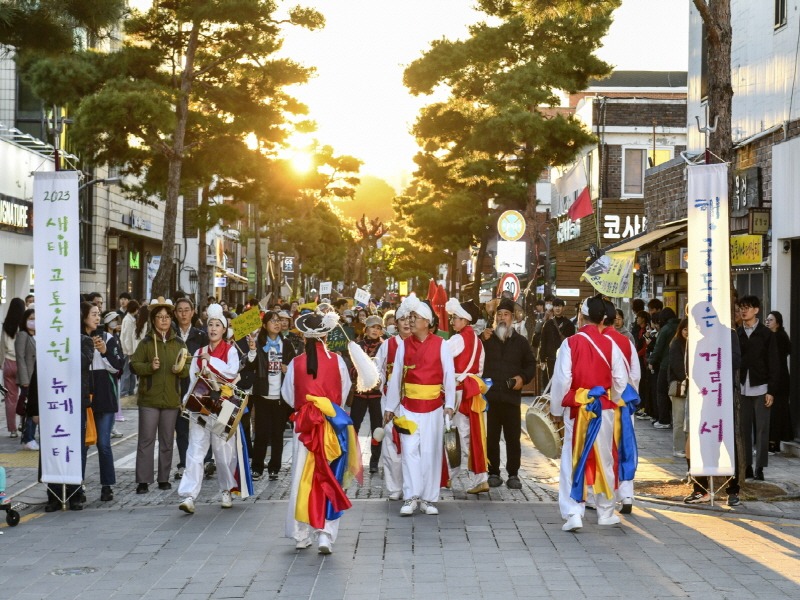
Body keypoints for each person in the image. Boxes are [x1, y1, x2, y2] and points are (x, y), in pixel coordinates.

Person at [282, 311, 360, 555]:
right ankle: (326, 533)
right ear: (326, 336)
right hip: (331, 425)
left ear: (304, 337)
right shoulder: (338, 361)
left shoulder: (296, 363)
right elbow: (344, 391)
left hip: (305, 426)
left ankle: (301, 533)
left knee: (301, 477)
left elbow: (288, 395)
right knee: (330, 475)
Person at [550, 296, 629, 532]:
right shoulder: (611, 344)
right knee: (605, 457)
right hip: (603, 408)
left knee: (573, 458)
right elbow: (621, 380)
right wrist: (611, 399)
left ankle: (574, 512)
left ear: (581, 317)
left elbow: (562, 380)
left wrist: (556, 410)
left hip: (577, 409)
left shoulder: (570, 343)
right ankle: (606, 511)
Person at [384, 294, 456, 515]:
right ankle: (411, 496)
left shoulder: (442, 345)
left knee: (430, 452)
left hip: (433, 408)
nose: (410, 321)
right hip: (407, 408)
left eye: (415, 317)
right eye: (410, 317)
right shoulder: (404, 346)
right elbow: (396, 377)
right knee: (409, 451)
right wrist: (390, 407)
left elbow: (449, 376)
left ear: (427, 321)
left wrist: (449, 404)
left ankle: (428, 499)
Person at [178, 304, 243, 513]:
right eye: (210, 325)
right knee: (195, 449)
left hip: (224, 406)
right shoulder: (199, 352)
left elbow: (231, 373)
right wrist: (187, 400)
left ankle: (226, 490)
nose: (213, 328)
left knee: (223, 451)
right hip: (201, 404)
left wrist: (211, 361)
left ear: (224, 329)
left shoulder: (230, 351)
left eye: (217, 325)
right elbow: (193, 380)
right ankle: (189, 495)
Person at [130, 297, 190, 494]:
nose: (164, 320)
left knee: (167, 441)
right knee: (146, 440)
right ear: (153, 320)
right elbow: (134, 365)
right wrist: (149, 367)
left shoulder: (179, 343)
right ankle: (143, 480)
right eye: (160, 317)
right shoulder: (147, 343)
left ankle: (164, 478)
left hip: (171, 399)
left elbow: (188, 366)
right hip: (149, 399)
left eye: (167, 317)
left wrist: (179, 369)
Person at [481, 297, 536, 490]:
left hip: (511, 398)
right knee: (491, 438)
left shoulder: (521, 342)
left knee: (513, 438)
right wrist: (480, 338)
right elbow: (474, 355)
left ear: (512, 318)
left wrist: (522, 378)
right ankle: (493, 472)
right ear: (495, 318)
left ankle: (513, 474)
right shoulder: (486, 339)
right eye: (499, 314)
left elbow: (531, 364)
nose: (502, 318)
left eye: (506, 314)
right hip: (491, 398)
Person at [246, 310, 297, 481]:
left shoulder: (287, 344)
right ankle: (257, 467)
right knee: (261, 433)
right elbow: (250, 366)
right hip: (262, 394)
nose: (277, 323)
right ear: (264, 325)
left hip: (281, 396)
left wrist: (287, 369)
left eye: (279, 320)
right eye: (273, 321)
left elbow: (295, 366)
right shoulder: (258, 343)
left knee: (277, 433)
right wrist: (252, 350)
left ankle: (275, 467)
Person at [444, 298, 488, 494]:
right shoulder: (478, 342)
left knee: (456, 435)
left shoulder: (457, 339)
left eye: (455, 317)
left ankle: (458, 476)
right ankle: (456, 476)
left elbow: (440, 357)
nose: (452, 321)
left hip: (458, 392)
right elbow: (479, 369)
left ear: (465, 319)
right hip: (472, 392)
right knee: (470, 435)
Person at [601, 301, 640, 515]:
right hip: (624, 401)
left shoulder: (594, 341)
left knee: (603, 449)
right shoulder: (626, 342)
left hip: (600, 404)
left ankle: (603, 493)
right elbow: (635, 375)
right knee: (626, 447)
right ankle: (626, 494)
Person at [82, 302, 125, 501]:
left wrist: (105, 351)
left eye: (98, 314)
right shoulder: (77, 338)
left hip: (104, 396)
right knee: (83, 444)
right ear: (83, 316)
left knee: (104, 444)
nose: (97, 318)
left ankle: (107, 486)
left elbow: (118, 367)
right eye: (93, 314)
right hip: (83, 399)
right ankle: (77, 487)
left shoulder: (108, 338)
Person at [737, 295, 779, 481]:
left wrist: (771, 390)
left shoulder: (766, 334)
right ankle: (746, 466)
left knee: (762, 429)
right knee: (744, 429)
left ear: (756, 310)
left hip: (761, 387)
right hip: (742, 388)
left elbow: (774, 363)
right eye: (741, 307)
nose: (743, 311)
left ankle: (760, 467)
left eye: (747, 307)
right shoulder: (737, 333)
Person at [374, 306, 412, 500]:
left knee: (412, 443)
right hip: (390, 401)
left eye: (409, 319)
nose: (406, 323)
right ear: (396, 323)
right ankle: (395, 487)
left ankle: (412, 486)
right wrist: (378, 380)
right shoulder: (388, 345)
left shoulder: (420, 344)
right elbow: (378, 369)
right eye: (402, 319)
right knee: (390, 442)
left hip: (414, 400)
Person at [171, 297, 209, 481]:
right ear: (175, 313)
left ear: (193, 312)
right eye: (180, 310)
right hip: (177, 386)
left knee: (201, 424)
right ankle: (184, 463)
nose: (184, 314)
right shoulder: (171, 335)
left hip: (198, 387)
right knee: (181, 427)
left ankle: (205, 461)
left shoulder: (201, 336)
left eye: (187, 310)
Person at [349, 315, 384, 473]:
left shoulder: (384, 347)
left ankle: (374, 460)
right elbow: (351, 368)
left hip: (377, 395)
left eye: (378, 328)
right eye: (372, 327)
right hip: (360, 393)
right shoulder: (357, 346)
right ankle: (352, 458)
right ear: (366, 329)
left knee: (377, 429)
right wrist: (361, 371)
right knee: (354, 426)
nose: (375, 330)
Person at [765, 311, 792, 452]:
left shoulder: (781, 337)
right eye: (766, 319)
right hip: (771, 377)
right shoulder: (767, 336)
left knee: (777, 410)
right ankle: (772, 442)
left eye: (771, 320)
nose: (767, 322)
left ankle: (773, 443)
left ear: (778, 322)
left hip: (780, 379)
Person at [649, 307, 679, 429]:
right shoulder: (680, 326)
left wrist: (651, 361)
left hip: (665, 364)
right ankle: (674, 418)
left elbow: (658, 347)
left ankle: (664, 419)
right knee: (675, 392)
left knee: (661, 391)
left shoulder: (665, 329)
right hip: (679, 364)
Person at [1, 297, 25, 437]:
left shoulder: (6, 325)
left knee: (10, 398)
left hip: (8, 363)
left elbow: (2, 345)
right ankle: (23, 423)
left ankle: (12, 430)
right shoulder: (24, 325)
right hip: (23, 364)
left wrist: (1, 362)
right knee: (24, 395)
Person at [15, 308, 37, 450]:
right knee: (29, 408)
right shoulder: (22, 335)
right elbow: (20, 357)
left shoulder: (38, 336)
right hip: (28, 378)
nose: (34, 322)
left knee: (35, 408)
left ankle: (31, 436)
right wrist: (24, 379)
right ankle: (28, 438)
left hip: (37, 378)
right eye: (31, 319)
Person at [668, 319, 689, 458]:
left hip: (692, 387)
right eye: (685, 329)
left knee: (689, 419)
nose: (687, 332)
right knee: (679, 419)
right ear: (680, 330)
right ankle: (678, 448)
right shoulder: (676, 344)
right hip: (680, 387)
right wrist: (689, 379)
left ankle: (688, 448)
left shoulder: (696, 343)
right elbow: (677, 366)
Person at [539, 298, 576, 380]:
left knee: (564, 381)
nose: (557, 308)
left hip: (565, 359)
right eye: (555, 306)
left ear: (563, 308)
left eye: (559, 306)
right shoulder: (548, 324)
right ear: (553, 308)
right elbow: (543, 341)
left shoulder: (569, 324)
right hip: (551, 359)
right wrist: (542, 359)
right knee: (551, 381)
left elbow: (572, 343)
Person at [119, 299, 140, 398]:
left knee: (131, 372)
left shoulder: (130, 319)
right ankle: (124, 392)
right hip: (128, 351)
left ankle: (130, 390)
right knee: (127, 372)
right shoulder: (128, 320)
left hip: (130, 350)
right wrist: (130, 352)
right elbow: (127, 338)